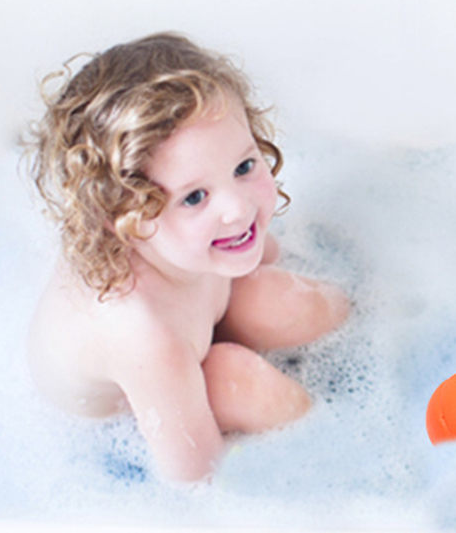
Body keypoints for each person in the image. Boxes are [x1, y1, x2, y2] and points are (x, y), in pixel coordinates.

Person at [26, 32, 350, 483]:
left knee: (297, 304)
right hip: (147, 400)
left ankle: (378, 359)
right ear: (127, 222)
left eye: (244, 167)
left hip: (191, 323)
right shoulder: (143, 335)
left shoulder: (200, 234)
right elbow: (195, 479)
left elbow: (265, 252)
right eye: (194, 196)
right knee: (240, 382)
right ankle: (340, 453)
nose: (238, 208)